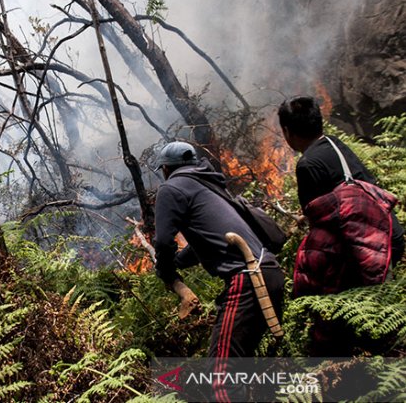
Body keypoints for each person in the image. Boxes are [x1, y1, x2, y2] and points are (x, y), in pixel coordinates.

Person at [153, 141, 285, 400]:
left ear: (167, 170)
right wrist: (176, 262)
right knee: (240, 371)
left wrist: (166, 273)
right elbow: (207, 240)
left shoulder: (171, 188)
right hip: (269, 270)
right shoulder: (211, 186)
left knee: (222, 379)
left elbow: (162, 242)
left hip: (248, 279)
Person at [278, 95, 404, 354]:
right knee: (380, 314)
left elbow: (320, 234)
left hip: (367, 250)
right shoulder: (333, 143)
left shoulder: (307, 164)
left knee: (359, 321)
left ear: (287, 132)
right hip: (390, 233)